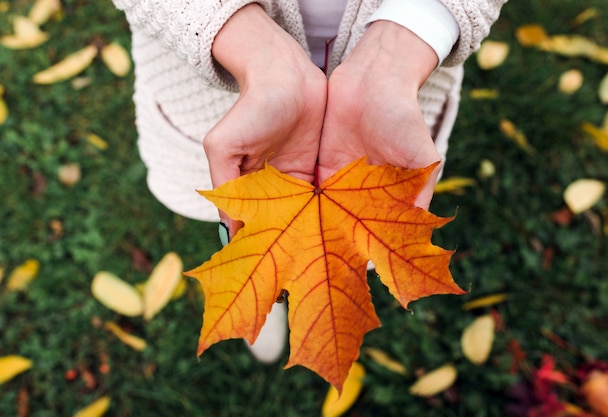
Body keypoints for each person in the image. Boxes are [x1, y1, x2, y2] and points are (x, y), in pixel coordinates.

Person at [111, 0, 506, 363]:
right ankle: (263, 297)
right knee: (246, 218)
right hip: (206, 80)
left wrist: (408, 39)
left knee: (324, 245)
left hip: (398, 82)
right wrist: (248, 43)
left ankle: (266, 293)